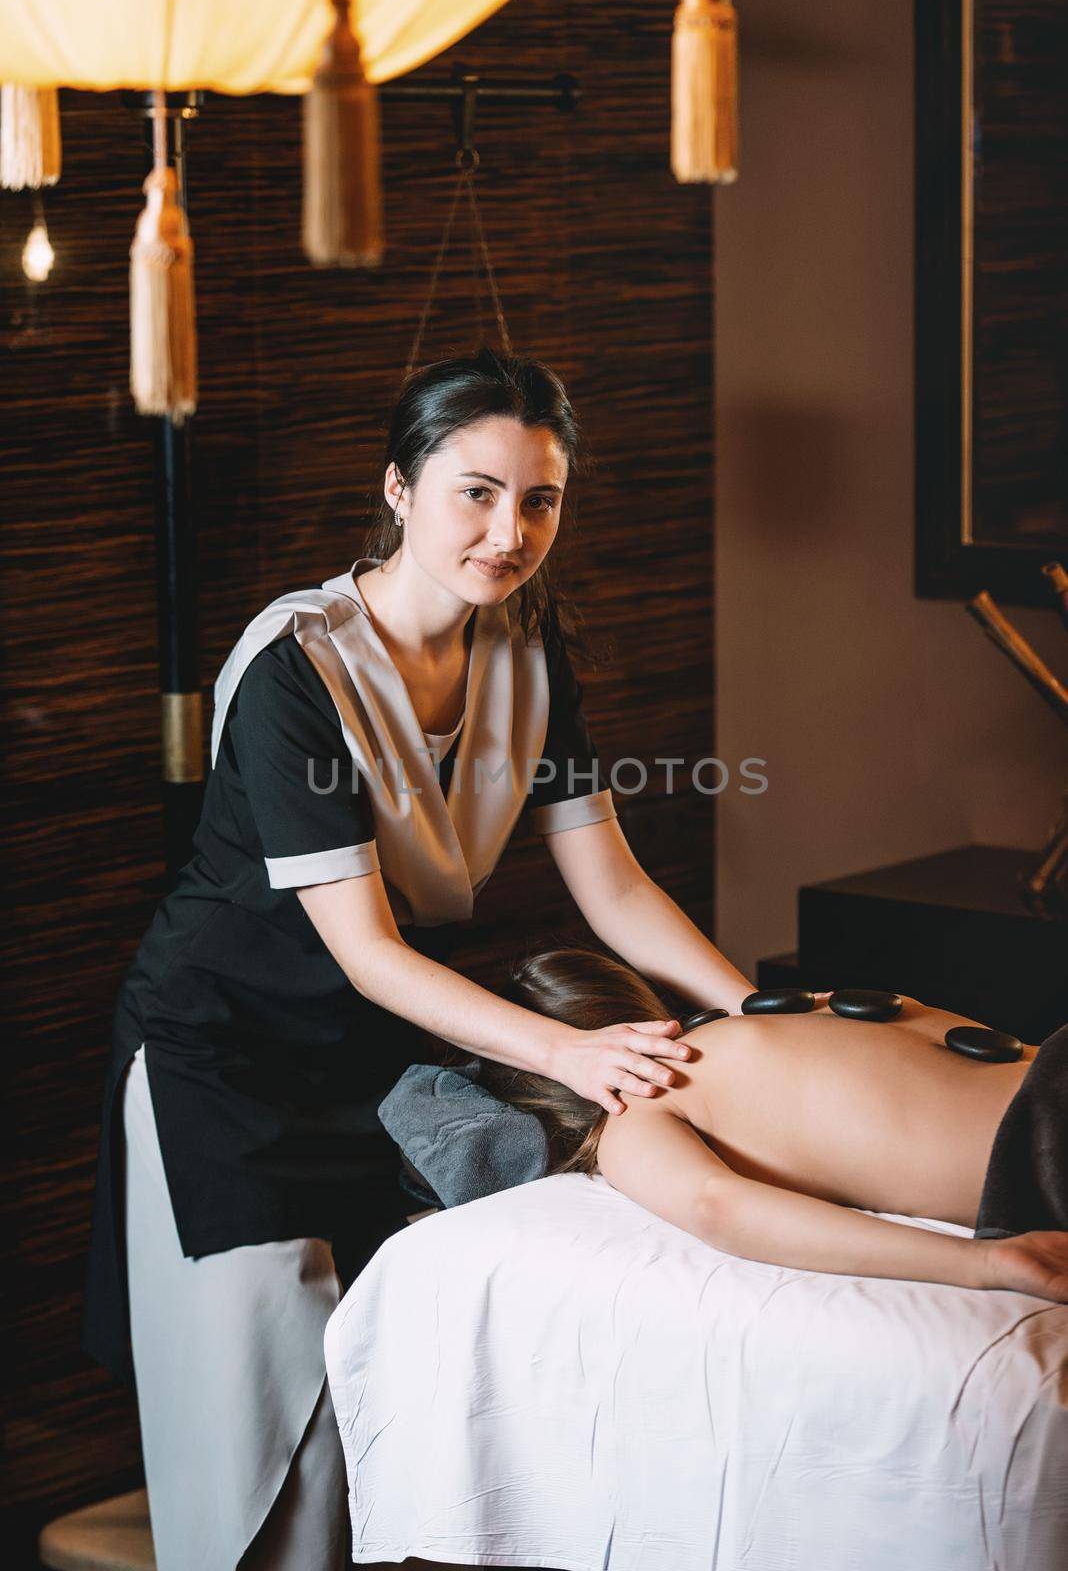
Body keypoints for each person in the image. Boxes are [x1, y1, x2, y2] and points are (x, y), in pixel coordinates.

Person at [82, 348, 754, 1571]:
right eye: (477, 491)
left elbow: (613, 884)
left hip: (367, 1057)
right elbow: (370, 949)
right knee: (256, 1430)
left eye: (540, 499)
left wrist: (755, 1007)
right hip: (218, 1059)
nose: (509, 531)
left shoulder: (528, 656)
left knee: (386, 1395)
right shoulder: (300, 668)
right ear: (399, 489)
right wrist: (576, 1050)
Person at [470, 946, 1068, 1305]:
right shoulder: (802, 1006)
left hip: (1040, 1142)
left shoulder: (638, 1111)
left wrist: (986, 1264)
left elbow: (717, 1207)